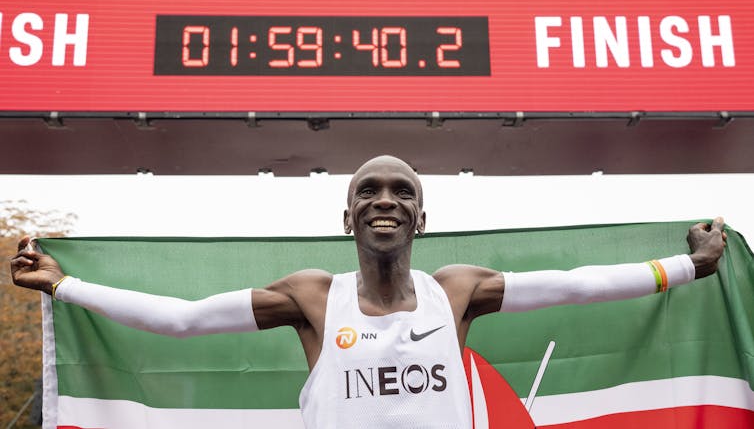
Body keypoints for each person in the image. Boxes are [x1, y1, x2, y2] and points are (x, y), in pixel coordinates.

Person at [11, 155, 727, 429]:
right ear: (347, 214)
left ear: (421, 216)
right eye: (368, 191)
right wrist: (65, 285)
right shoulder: (316, 298)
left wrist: (690, 266)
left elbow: (578, 287)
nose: (385, 199)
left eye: (402, 191)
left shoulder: (458, 290)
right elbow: (182, 319)